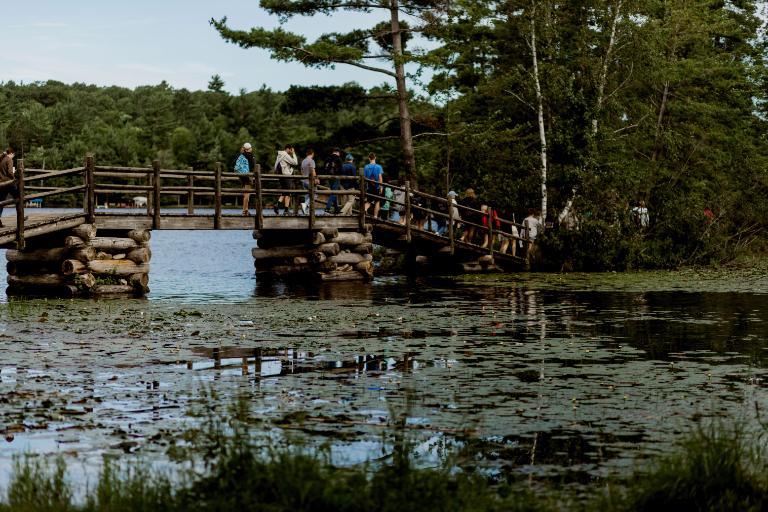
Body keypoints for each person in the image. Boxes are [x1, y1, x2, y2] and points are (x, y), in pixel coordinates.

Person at [273, 144, 298, 214]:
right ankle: (286, 210)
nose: (291, 151)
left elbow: (275, 166)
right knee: (288, 193)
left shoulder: (279, 155)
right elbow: (295, 162)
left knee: (284, 192)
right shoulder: (285, 155)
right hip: (286, 176)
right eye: (291, 150)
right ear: (289, 149)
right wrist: (294, 153)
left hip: (281, 175)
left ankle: (277, 205)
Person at [0, 148, 20, 227]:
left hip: (1, 183)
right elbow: (10, 172)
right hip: (8, 183)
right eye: (13, 155)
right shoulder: (9, 160)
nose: (13, 157)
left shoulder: (1, 159)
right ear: (11, 153)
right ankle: (20, 217)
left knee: (1, 202)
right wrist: (15, 178)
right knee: (19, 197)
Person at [234, 142, 254, 215]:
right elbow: (252, 166)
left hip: (241, 176)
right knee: (247, 194)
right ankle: (245, 211)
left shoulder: (240, 155)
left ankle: (245, 209)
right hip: (247, 176)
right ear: (249, 149)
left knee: (245, 193)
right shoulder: (250, 156)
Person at [363, 153, 383, 218]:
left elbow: (365, 178)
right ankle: (375, 216)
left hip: (369, 186)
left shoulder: (366, 167)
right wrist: (381, 186)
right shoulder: (379, 167)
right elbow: (380, 177)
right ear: (375, 158)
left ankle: (365, 209)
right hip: (377, 186)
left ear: (369, 158)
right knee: (377, 201)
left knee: (368, 201)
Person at [323, 148, 343, 214]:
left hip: (329, 177)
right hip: (336, 177)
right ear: (338, 152)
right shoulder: (338, 159)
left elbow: (324, 168)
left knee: (333, 192)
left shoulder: (327, 158)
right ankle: (327, 208)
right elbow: (341, 170)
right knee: (334, 193)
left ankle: (336, 209)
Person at [299, 148, 317, 215]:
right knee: (314, 194)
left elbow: (301, 171)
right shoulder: (311, 161)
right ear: (312, 153)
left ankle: (305, 210)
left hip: (304, 180)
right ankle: (305, 204)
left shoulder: (303, 161)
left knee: (307, 195)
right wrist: (315, 179)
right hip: (310, 181)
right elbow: (313, 171)